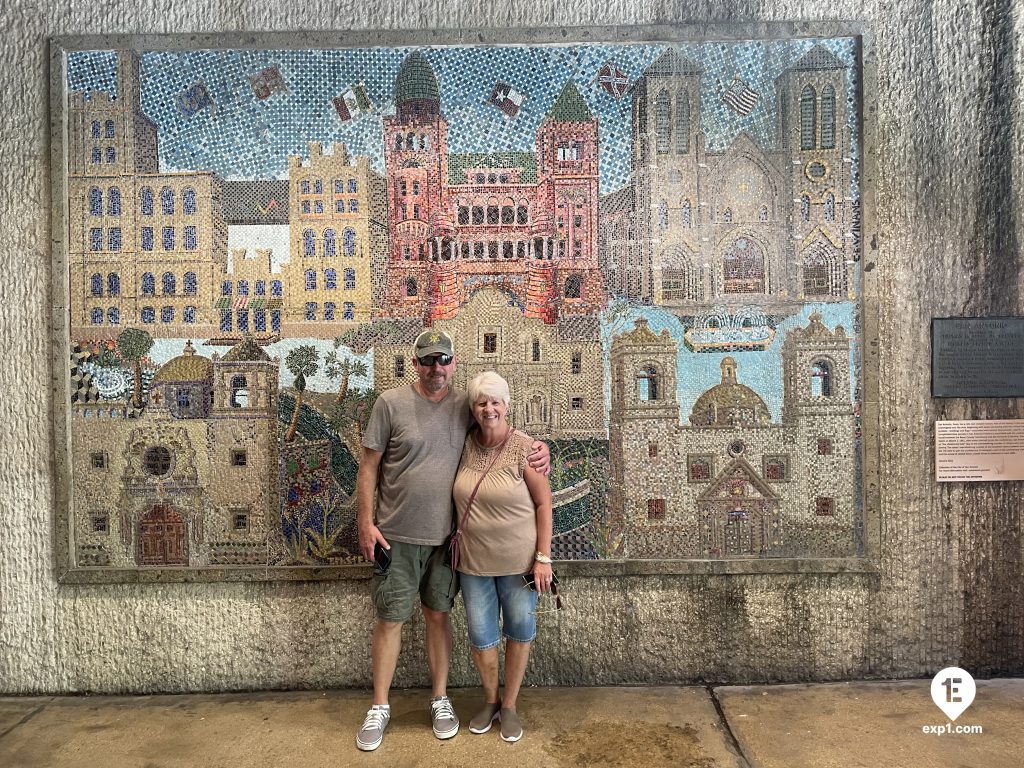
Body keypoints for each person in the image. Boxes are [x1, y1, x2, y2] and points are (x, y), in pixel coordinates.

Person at [355, 331, 549, 752]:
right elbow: (368, 467)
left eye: (443, 360)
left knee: (438, 616)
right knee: (390, 619)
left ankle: (440, 699)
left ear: (453, 363)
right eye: (428, 360)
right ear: (416, 363)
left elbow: (499, 423)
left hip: (446, 541)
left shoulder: (466, 405)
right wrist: (366, 523)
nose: (436, 368)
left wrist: (539, 448)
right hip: (396, 537)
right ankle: (379, 706)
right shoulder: (390, 404)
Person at [454, 371, 554, 743]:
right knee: (481, 637)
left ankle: (509, 705)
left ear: (508, 406)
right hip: (473, 564)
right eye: (482, 402)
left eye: (495, 401)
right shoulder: (464, 445)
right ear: (473, 409)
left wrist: (543, 557)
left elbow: (544, 504)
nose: (489, 408)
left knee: (519, 632)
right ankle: (490, 699)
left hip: (519, 564)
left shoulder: (525, 448)